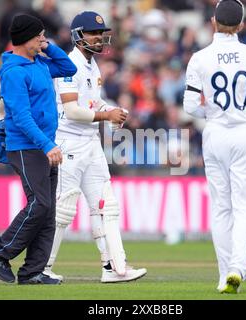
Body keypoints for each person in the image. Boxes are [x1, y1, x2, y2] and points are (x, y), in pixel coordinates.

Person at [43, 11, 147, 283]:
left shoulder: (92, 65)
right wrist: (105, 116)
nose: (99, 37)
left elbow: (92, 103)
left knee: (106, 205)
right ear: (78, 35)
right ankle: (42, 268)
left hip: (90, 142)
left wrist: (111, 110)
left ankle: (113, 268)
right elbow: (72, 110)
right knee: (64, 209)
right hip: (69, 142)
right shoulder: (68, 63)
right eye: (92, 33)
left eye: (100, 33)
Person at [183, 0, 246, 293]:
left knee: (221, 207)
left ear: (213, 21)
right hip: (245, 133)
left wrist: (212, 113)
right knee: (245, 205)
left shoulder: (199, 58)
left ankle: (225, 276)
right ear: (241, 25)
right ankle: (238, 267)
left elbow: (190, 107)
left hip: (215, 134)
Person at [0, 14, 77, 285]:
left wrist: (48, 47)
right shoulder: (13, 73)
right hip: (26, 147)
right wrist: (48, 145)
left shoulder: (40, 63)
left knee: (47, 210)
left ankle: (32, 271)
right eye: (39, 36)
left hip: (46, 146)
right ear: (25, 38)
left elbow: (69, 68)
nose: (43, 39)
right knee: (40, 204)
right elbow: (21, 117)